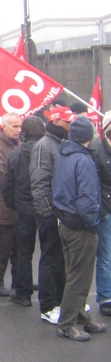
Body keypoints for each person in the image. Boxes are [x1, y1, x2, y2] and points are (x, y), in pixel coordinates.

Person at [53, 117, 106, 341]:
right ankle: (67, 324)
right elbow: (86, 198)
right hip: (80, 225)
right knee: (79, 278)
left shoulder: (63, 155)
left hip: (65, 222)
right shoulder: (83, 160)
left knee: (73, 274)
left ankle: (81, 317)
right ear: (89, 137)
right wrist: (94, 223)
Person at [30, 106, 74, 323]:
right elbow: (39, 182)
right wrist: (47, 212)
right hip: (50, 214)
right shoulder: (43, 146)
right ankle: (48, 306)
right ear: (57, 121)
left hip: (62, 212)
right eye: (67, 121)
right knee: (50, 258)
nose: (70, 125)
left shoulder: (62, 143)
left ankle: (61, 299)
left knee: (62, 259)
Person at [1, 116, 45, 307]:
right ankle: (48, 290)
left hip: (24, 208)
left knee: (23, 252)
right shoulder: (49, 151)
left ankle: (23, 292)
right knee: (49, 251)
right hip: (46, 208)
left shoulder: (16, 154)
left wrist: (14, 204)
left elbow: (7, 185)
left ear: (24, 133)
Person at [0, 112, 21, 297]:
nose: (18, 130)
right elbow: (1, 173)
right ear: (4, 126)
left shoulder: (19, 144)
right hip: (3, 205)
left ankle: (19, 279)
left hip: (19, 205)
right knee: (2, 247)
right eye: (15, 126)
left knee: (20, 247)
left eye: (20, 126)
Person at [93, 112, 111, 316]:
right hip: (107, 211)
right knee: (106, 256)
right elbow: (95, 185)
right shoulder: (98, 153)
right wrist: (103, 210)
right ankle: (106, 297)